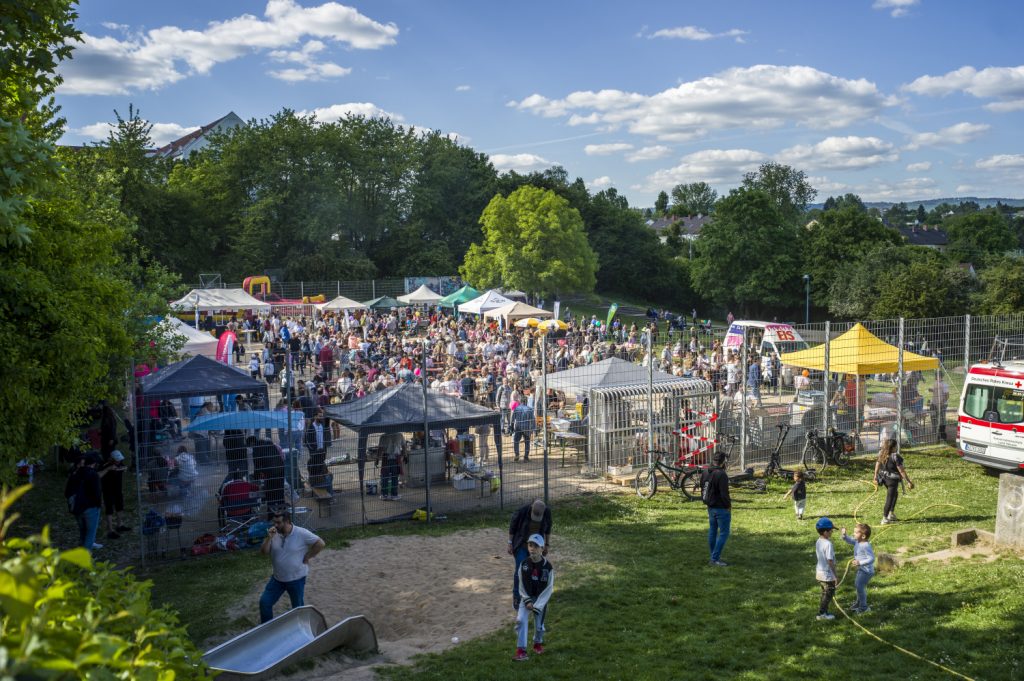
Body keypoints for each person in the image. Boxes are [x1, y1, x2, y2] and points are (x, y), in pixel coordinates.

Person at [258, 510, 325, 623]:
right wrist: (269, 538)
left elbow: (320, 543)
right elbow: (264, 552)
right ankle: (267, 628)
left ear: (287, 521)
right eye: (274, 522)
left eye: (278, 522)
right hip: (277, 579)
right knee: (264, 603)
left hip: (296, 579)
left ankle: (299, 628)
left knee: (297, 608)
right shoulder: (273, 533)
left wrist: (308, 556)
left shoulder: (301, 533)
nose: (275, 525)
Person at [513, 534, 554, 662]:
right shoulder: (524, 564)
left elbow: (548, 589)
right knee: (520, 620)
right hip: (526, 597)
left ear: (542, 548)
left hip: (540, 599)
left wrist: (538, 605)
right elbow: (521, 584)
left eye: (536, 546)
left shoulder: (548, 567)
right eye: (530, 545)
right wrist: (527, 600)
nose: (532, 548)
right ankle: (521, 651)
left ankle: (537, 643)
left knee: (539, 626)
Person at [508, 499, 552, 610]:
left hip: (537, 546)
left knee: (535, 569)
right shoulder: (522, 512)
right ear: (531, 507)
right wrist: (509, 543)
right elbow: (513, 527)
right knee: (520, 569)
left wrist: (546, 544)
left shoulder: (546, 512)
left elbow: (547, 529)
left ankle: (532, 595)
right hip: (521, 544)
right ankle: (517, 596)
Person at [65, 451, 104, 552]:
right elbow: (97, 493)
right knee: (90, 534)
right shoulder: (93, 475)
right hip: (90, 508)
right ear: (94, 463)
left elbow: (67, 492)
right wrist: (99, 505)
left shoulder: (76, 473)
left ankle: (81, 551)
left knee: (83, 531)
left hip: (77, 507)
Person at [700, 451, 731, 566]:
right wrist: (728, 506)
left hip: (710, 506)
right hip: (721, 507)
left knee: (713, 531)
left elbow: (702, 487)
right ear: (723, 462)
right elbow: (724, 493)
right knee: (724, 533)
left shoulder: (705, 471)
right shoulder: (721, 474)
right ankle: (714, 559)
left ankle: (714, 555)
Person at [873, 438, 914, 524]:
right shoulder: (896, 456)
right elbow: (901, 471)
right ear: (894, 447)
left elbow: (877, 464)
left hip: (884, 479)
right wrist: (908, 481)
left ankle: (891, 514)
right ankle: (885, 518)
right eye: (896, 446)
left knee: (895, 494)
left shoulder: (882, 453)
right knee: (890, 498)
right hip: (892, 481)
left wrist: (875, 476)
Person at [841, 523, 875, 614]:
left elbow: (872, 558)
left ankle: (864, 607)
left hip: (867, 571)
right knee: (858, 586)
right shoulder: (857, 541)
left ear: (863, 536)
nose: (854, 534)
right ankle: (859, 603)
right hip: (862, 569)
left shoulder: (866, 545)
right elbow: (850, 540)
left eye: (856, 533)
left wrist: (860, 562)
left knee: (860, 586)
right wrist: (844, 536)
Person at [101, 450, 130, 539]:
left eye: (120, 459)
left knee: (120, 507)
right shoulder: (106, 465)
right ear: (112, 459)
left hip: (118, 490)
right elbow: (100, 475)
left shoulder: (120, 464)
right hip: (108, 491)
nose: (119, 461)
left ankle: (119, 525)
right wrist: (109, 469)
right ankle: (110, 530)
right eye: (117, 460)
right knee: (109, 510)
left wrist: (123, 468)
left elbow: (125, 467)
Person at [814, 517, 837, 621]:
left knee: (825, 593)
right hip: (827, 574)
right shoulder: (828, 544)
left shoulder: (819, 541)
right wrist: (835, 576)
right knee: (828, 594)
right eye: (831, 530)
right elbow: (830, 561)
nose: (832, 532)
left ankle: (824, 612)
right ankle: (822, 614)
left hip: (819, 572)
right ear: (825, 532)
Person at [304, 408, 332, 490]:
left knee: (321, 468)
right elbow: (307, 440)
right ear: (315, 416)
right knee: (314, 468)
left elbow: (328, 419)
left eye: (322, 416)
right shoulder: (311, 427)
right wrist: (312, 450)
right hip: (315, 453)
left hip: (322, 452)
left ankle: (321, 483)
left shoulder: (323, 426)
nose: (321, 418)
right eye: (320, 416)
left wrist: (324, 448)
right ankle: (314, 483)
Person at [377, 432, 405, 501]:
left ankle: (384, 495)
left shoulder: (383, 436)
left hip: (386, 458)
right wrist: (405, 456)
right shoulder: (399, 435)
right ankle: (394, 495)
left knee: (385, 477)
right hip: (396, 458)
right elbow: (404, 447)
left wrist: (377, 459)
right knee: (395, 477)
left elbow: (380, 449)